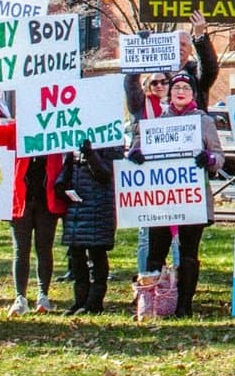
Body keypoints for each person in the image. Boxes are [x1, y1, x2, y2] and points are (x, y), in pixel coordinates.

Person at [128, 71, 224, 316]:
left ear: (192, 93)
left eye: (186, 88)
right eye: (176, 87)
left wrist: (209, 158)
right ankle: (156, 303)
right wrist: (137, 156)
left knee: (189, 254)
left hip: (194, 199)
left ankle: (184, 304)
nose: (181, 92)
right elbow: (138, 149)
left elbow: (219, 157)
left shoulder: (203, 121)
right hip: (162, 201)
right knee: (155, 252)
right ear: (170, 93)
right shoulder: (158, 120)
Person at [0, 89, 66, 317]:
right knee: (21, 249)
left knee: (44, 248)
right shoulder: (16, 131)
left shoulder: (57, 131)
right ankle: (20, 297)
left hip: (47, 201)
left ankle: (43, 295)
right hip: (22, 201)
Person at [57, 140, 122, 315]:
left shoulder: (111, 141)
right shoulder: (74, 143)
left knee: (97, 254)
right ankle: (79, 301)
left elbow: (106, 174)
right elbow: (68, 169)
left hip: (99, 206)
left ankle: (94, 302)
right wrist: (61, 185)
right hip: (76, 206)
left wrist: (91, 154)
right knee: (76, 256)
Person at [124, 71, 175, 273]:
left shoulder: (177, 106)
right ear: (147, 85)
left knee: (176, 230)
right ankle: (145, 280)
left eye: (164, 81)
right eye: (155, 82)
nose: (160, 85)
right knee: (146, 231)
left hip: (173, 175)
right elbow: (130, 84)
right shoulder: (140, 105)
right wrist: (135, 66)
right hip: (147, 174)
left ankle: (173, 283)